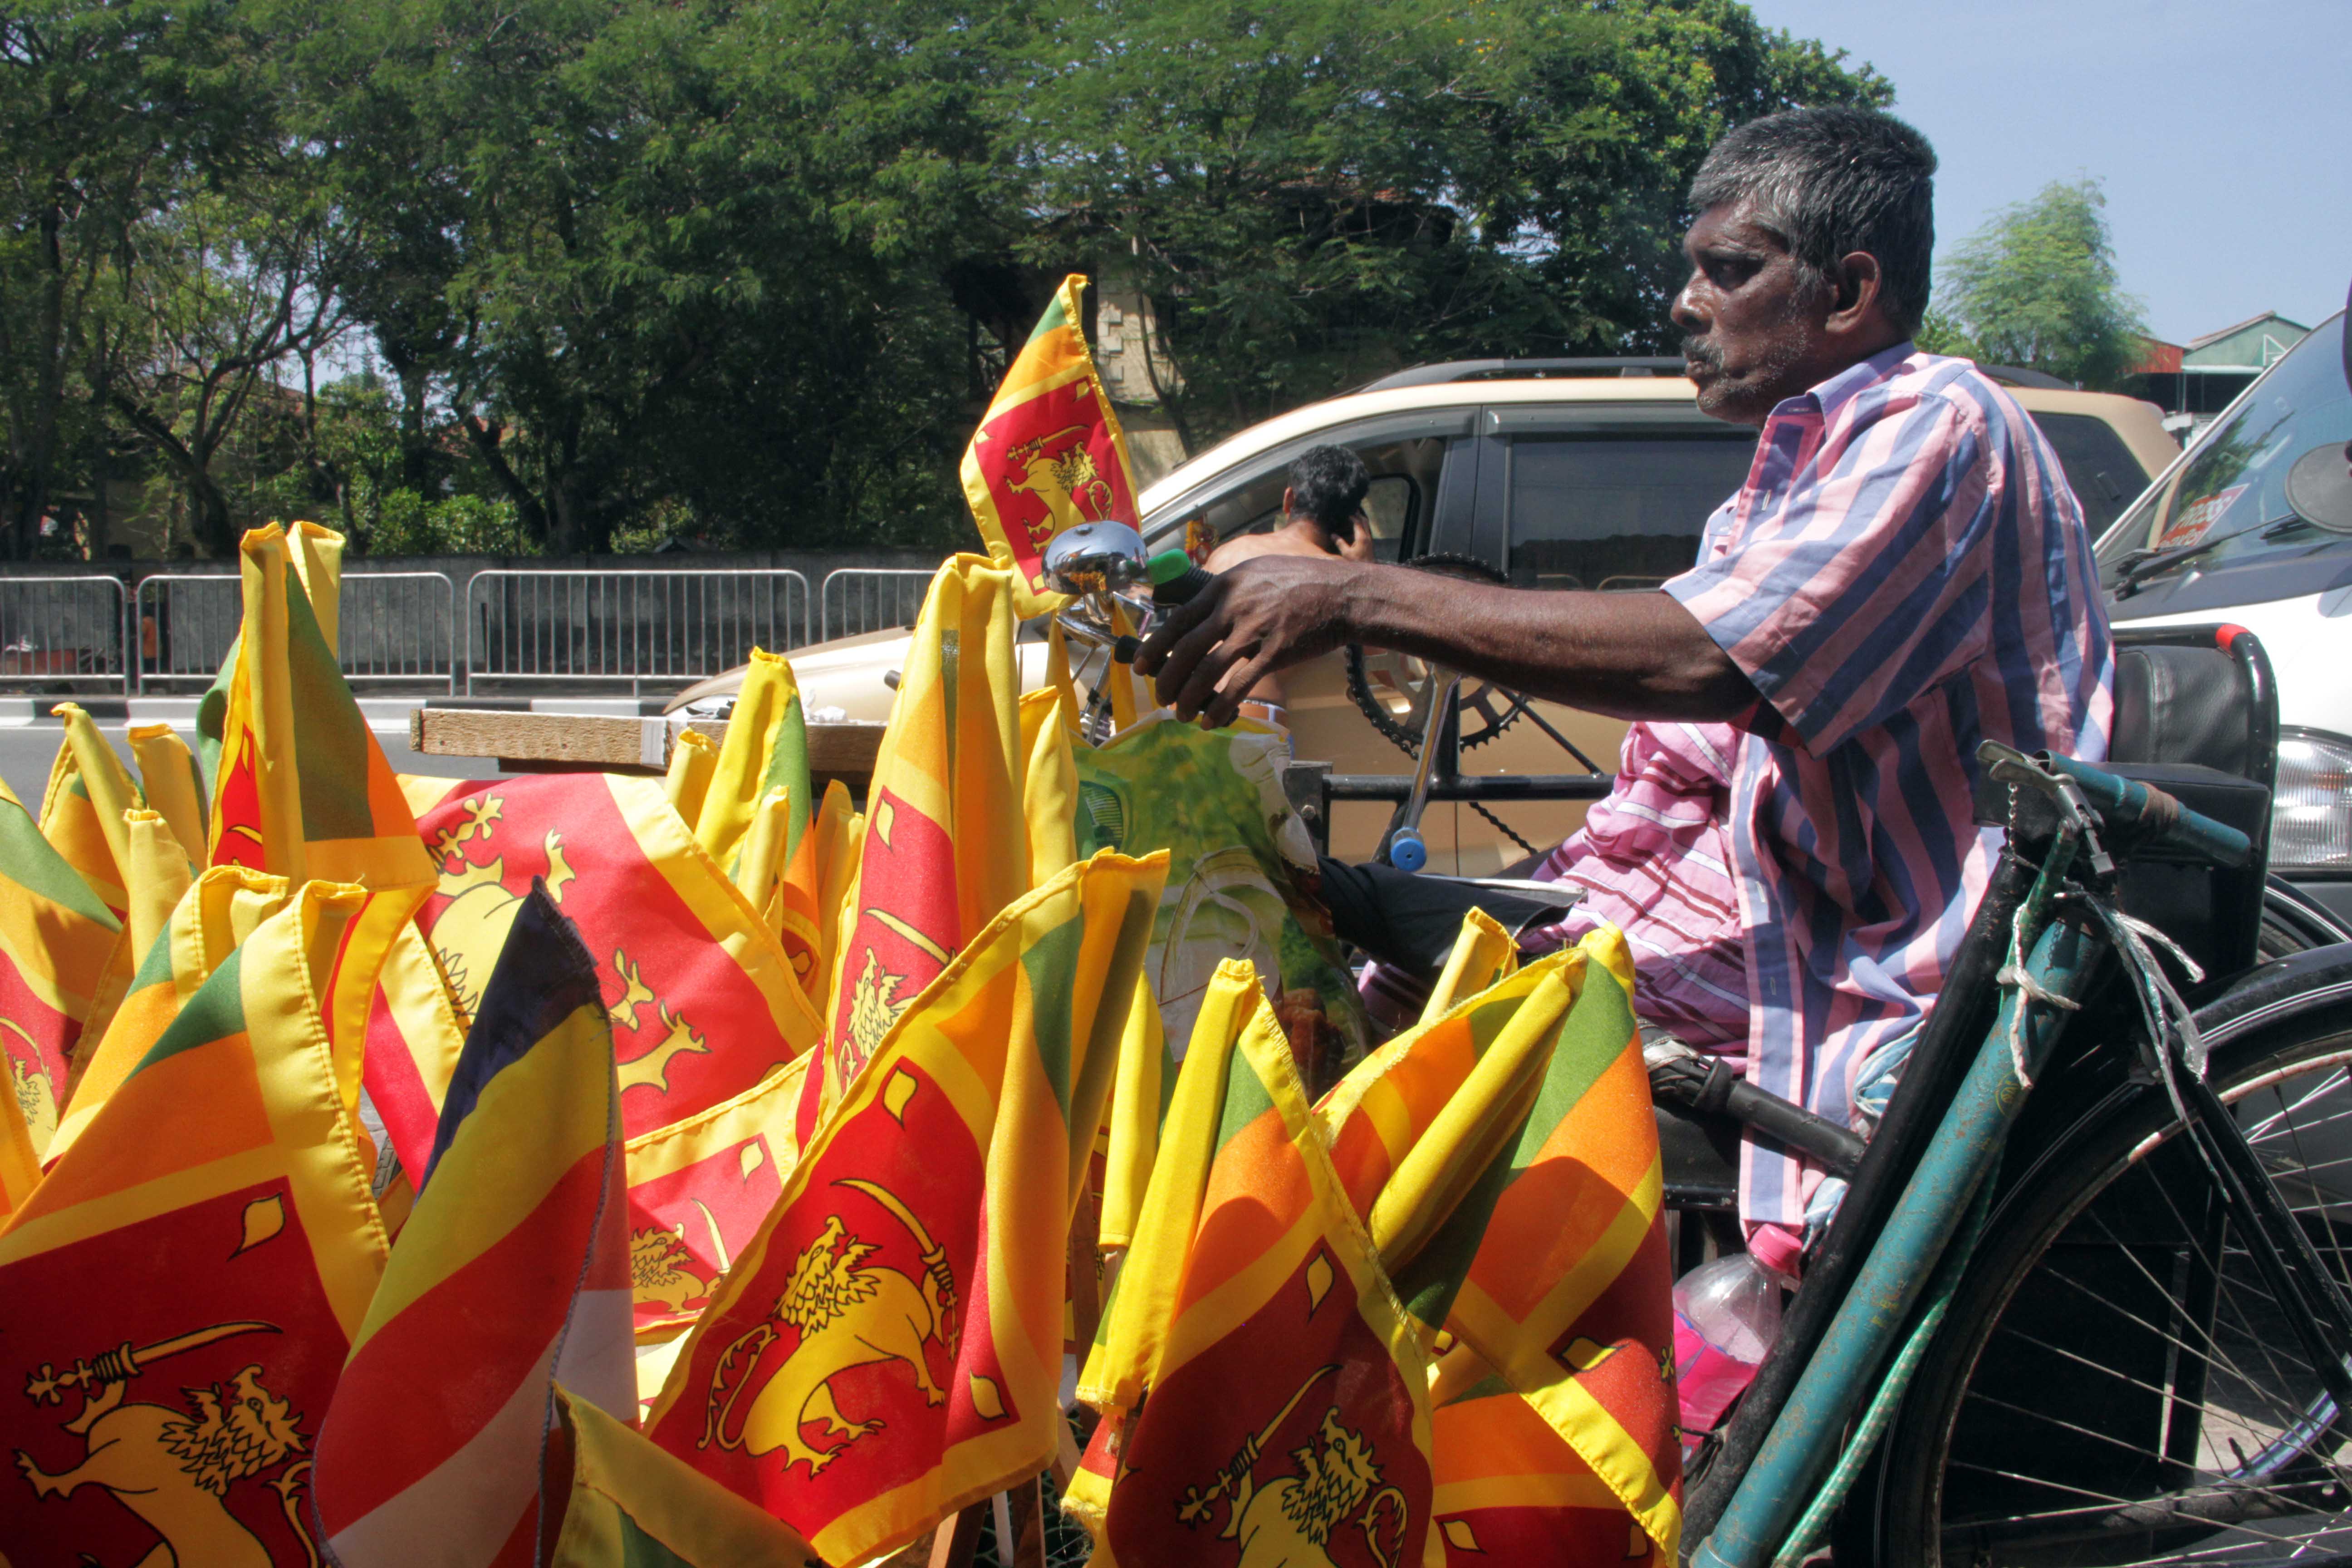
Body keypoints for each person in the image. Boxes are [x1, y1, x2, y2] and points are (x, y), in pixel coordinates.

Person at [1136, 106, 2115, 1251]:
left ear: (1847, 291)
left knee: (1378, 1116)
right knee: (1292, 915)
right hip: (1732, 910)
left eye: (1728, 271)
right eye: (1690, 270)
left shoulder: (1934, 430)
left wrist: (1357, 597)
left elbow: (1705, 658)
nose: (1684, 305)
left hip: (1864, 956)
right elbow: (1683, 754)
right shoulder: (1789, 470)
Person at [1200, 445, 1377, 726]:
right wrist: (1367, 571)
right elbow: (1378, 660)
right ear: (1355, 518)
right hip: (1253, 711)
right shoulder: (1343, 578)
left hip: (1188, 705)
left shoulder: (1229, 552)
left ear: (1289, 499)